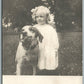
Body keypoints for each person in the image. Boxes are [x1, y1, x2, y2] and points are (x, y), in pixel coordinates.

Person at [31, 6, 59, 71]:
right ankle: (38, 70)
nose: (39, 19)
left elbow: (55, 39)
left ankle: (49, 71)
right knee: (39, 60)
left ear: (46, 17)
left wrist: (55, 48)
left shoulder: (50, 28)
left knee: (48, 58)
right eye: (37, 17)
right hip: (38, 48)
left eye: (41, 16)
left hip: (48, 47)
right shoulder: (34, 28)